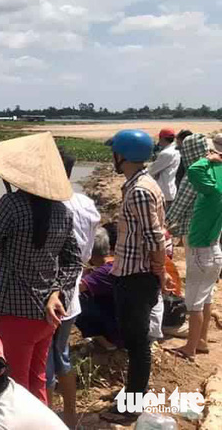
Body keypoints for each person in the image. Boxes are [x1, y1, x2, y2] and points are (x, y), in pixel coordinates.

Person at [0, 132, 82, 404]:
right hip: (47, 314)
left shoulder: (11, 205)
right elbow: (73, 260)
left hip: (13, 312)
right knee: (37, 382)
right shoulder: (63, 212)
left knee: (13, 390)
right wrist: (57, 293)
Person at [102, 130, 174, 423]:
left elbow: (154, 237)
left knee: (137, 343)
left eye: (114, 153)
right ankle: (132, 392)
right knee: (135, 341)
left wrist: (160, 272)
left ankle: (132, 406)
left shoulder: (140, 191)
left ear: (123, 156)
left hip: (136, 276)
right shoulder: (139, 185)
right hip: (132, 274)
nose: (112, 158)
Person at [46, 149, 100, 427]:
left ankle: (46, 419)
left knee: (44, 358)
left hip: (49, 296)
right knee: (61, 352)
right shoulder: (86, 204)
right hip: (73, 292)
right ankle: (68, 415)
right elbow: (86, 255)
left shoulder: (50, 206)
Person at [168, 134, 222, 361]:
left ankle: (190, 348)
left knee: (194, 302)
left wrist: (208, 159)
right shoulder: (218, 180)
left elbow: (191, 174)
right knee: (206, 297)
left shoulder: (203, 182)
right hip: (215, 247)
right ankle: (200, 340)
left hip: (200, 249)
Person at [75, 226, 121, 350]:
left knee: (75, 301)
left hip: (117, 330)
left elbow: (76, 288)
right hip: (126, 323)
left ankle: (107, 342)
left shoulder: (103, 272)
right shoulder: (115, 263)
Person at [148, 128, 181, 207]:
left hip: (163, 191)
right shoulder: (175, 150)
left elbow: (151, 171)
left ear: (162, 139)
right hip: (169, 189)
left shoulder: (166, 153)